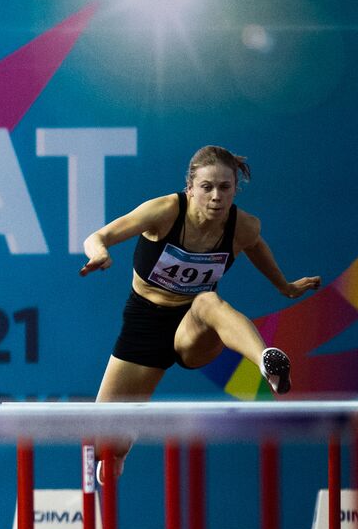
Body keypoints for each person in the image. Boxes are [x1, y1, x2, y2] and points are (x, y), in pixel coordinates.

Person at [81, 145, 321, 479]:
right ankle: (122, 443)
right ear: (190, 188)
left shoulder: (243, 227)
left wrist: (285, 286)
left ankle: (266, 361)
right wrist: (99, 253)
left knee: (207, 301)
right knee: (103, 447)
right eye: (207, 187)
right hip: (145, 325)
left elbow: (257, 248)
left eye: (225, 187)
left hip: (194, 327)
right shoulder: (164, 211)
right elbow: (98, 236)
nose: (216, 196)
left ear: (235, 190)